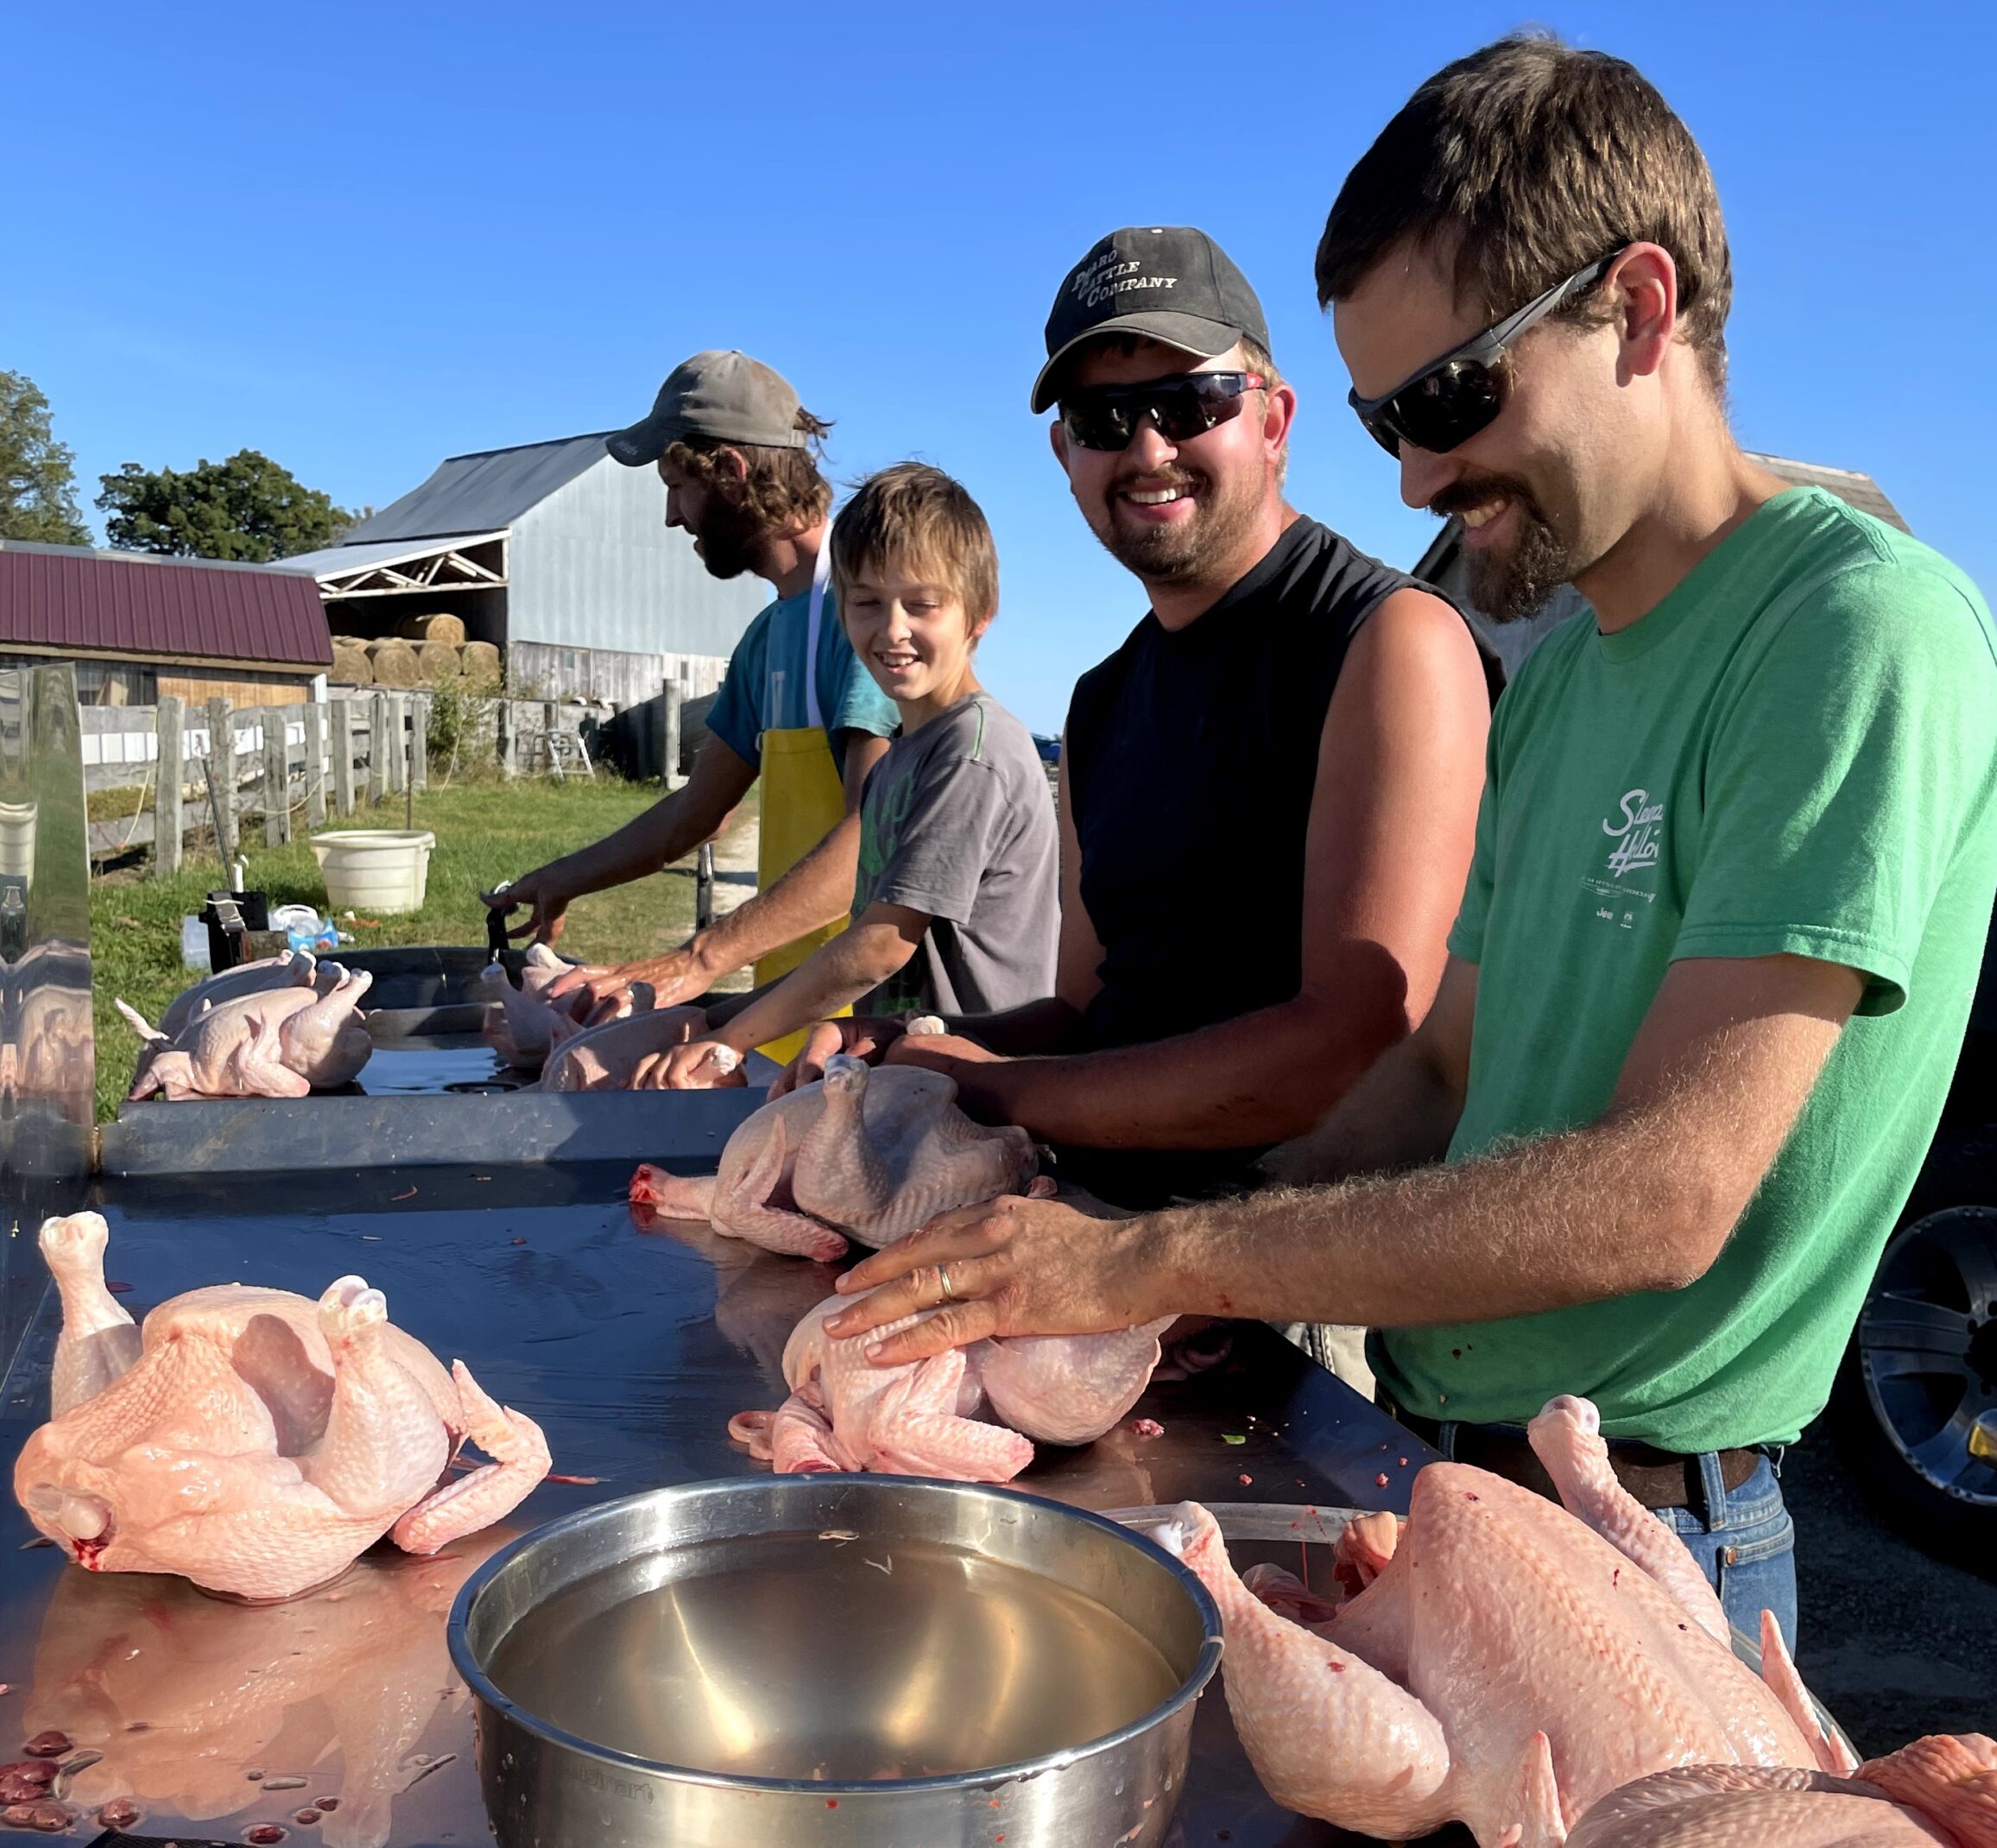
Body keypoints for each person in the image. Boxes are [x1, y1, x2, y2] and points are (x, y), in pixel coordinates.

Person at [823, 36, 1997, 1645]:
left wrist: (1162, 1256)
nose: (1417, 476)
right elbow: (1437, 1070)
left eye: (1449, 398)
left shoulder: (1850, 629)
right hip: (1441, 1471)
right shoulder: (1566, 669)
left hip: (1647, 1530)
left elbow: (1665, 1194)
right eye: (1387, 420)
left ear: (1637, 309)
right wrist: (1156, 1271)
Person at [781, 227, 1490, 1215]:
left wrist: (983, 1084)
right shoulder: (1102, 701)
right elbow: (1086, 1011)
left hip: (1273, 1256)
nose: (1150, 447)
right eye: (1104, 417)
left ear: (1274, 420)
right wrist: (906, 1045)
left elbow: (1362, 1041)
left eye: (1192, 402)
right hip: (1078, 1222)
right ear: (1065, 452)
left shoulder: (1389, 641)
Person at [482, 351, 899, 1057]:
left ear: (731, 472)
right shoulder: (768, 636)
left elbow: (872, 843)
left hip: (870, 1024)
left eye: (677, 487)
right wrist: (560, 881)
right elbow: (695, 816)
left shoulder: (865, 615)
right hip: (790, 1013)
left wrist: (697, 961)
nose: (672, 517)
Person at [645, 464, 1058, 1086]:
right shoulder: (900, 760)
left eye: (922, 605)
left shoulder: (972, 753)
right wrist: (705, 1021)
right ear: (841, 609)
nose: (892, 630)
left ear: (979, 614)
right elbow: (867, 936)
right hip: (914, 1081)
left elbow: (881, 946)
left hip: (985, 1090)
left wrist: (728, 1043)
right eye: (867, 602)